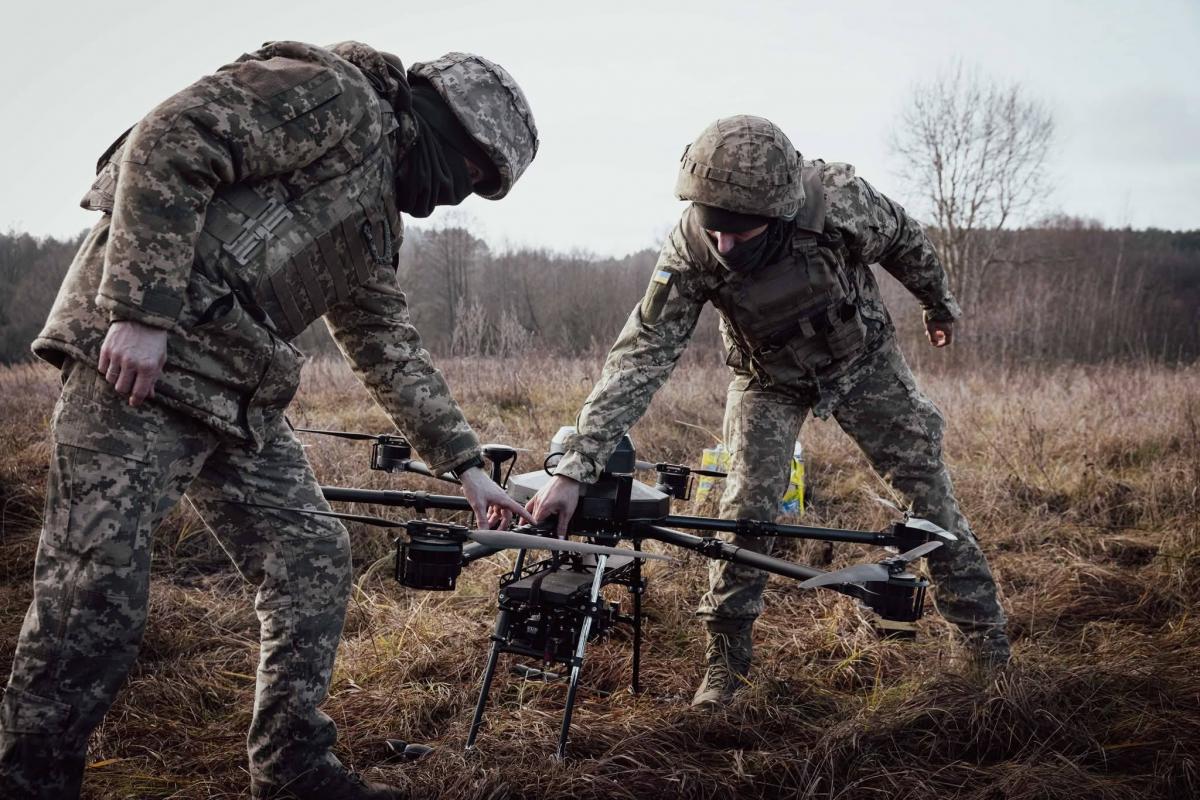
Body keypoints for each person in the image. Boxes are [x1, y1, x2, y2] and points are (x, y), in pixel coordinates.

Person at [0, 40, 538, 800]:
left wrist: (468, 466)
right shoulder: (335, 94)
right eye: (473, 171)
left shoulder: (377, 225)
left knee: (311, 555)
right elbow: (172, 137)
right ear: (447, 126)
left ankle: (293, 770)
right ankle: (30, 782)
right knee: (93, 600)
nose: (463, 190)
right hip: (136, 366)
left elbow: (386, 346)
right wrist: (141, 311)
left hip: (233, 390)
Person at [526, 115, 1011, 710]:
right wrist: (574, 466)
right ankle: (726, 666)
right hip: (767, 379)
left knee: (930, 500)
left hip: (862, 363)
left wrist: (938, 304)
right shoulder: (691, 246)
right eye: (714, 229)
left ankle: (986, 649)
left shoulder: (840, 204)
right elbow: (641, 353)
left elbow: (906, 239)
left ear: (780, 214)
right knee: (746, 510)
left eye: (741, 233)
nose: (724, 246)